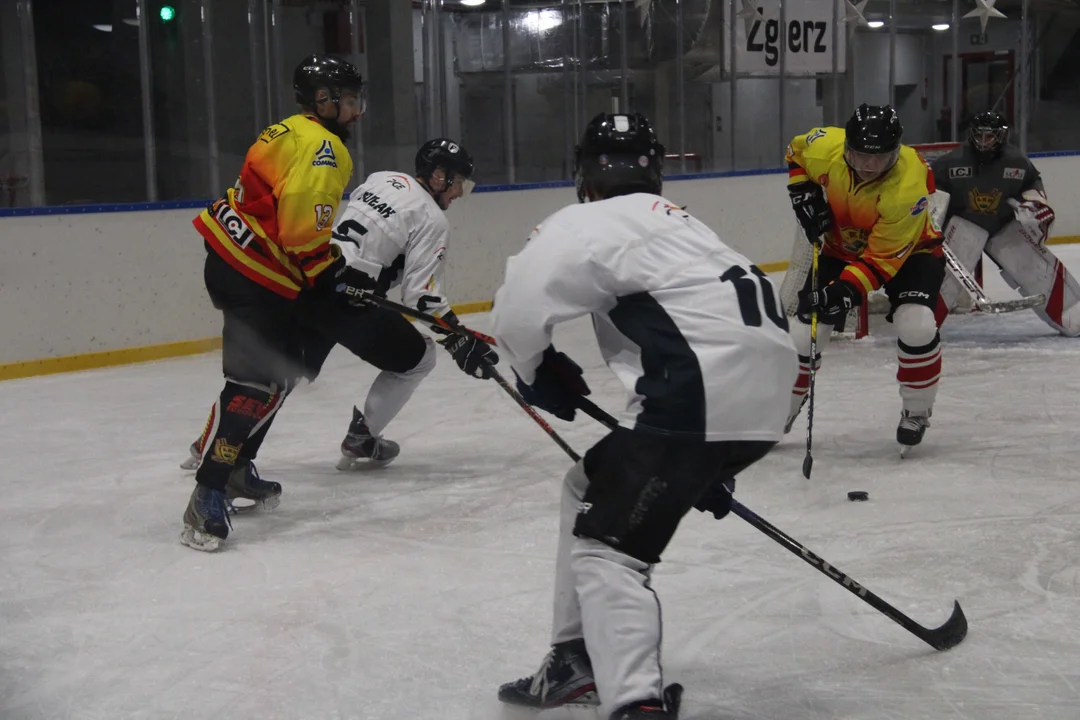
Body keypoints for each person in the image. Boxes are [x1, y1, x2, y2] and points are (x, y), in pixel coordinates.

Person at [489, 112, 797, 720]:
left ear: (584, 174)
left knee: (607, 552)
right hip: (766, 396)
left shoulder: (584, 220)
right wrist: (698, 468)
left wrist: (534, 371)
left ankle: (633, 703)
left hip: (697, 395)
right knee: (586, 484)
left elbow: (517, 311)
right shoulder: (683, 224)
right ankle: (575, 656)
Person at [179, 138, 498, 474]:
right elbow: (420, 295)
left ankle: (212, 445)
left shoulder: (381, 179)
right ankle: (363, 436)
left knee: (280, 372)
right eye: (459, 183)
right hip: (351, 300)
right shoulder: (432, 220)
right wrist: (457, 338)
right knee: (420, 358)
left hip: (315, 278)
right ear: (438, 176)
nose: (459, 192)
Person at [180, 54, 376, 551]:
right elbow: (300, 231)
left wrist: (330, 269)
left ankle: (237, 469)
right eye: (350, 100)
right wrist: (332, 274)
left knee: (281, 374)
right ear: (325, 101)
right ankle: (207, 494)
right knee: (256, 384)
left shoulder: (286, 129)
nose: (356, 111)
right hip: (253, 274)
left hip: (238, 259)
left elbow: (280, 215)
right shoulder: (327, 149)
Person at [784, 104, 945, 452]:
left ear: (895, 152)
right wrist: (802, 192)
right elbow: (795, 151)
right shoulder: (825, 147)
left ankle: (917, 410)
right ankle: (781, 408)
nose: (869, 166)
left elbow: (881, 262)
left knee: (916, 324)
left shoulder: (908, 187)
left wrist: (842, 291)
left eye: (880, 157)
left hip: (912, 252)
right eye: (860, 155)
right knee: (804, 333)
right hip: (841, 248)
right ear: (847, 147)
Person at [930, 110, 1079, 336]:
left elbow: (1032, 185)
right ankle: (923, 324)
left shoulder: (1017, 161)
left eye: (989, 136)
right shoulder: (949, 162)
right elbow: (932, 194)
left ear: (1001, 136)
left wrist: (1035, 207)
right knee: (943, 279)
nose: (983, 141)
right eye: (979, 135)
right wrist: (932, 221)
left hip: (1003, 225)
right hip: (964, 226)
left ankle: (1073, 314)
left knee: (1036, 269)